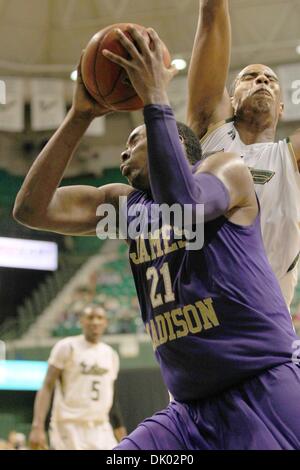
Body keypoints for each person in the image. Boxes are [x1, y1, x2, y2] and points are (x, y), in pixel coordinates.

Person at [14, 26, 300, 449]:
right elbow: (31, 210)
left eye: (135, 139)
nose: (123, 153)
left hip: (260, 390)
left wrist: (155, 97)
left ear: (178, 142)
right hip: (186, 411)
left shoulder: (227, 170)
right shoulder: (125, 209)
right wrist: (80, 116)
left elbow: (185, 205)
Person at [187, 0, 300, 307]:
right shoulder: (211, 131)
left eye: (270, 79)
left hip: (265, 325)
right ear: (231, 100)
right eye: (249, 77)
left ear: (281, 108)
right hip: (203, 317)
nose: (262, 79)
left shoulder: (291, 158)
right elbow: (211, 16)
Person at [28, 305, 126, 450]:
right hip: (69, 425)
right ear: (81, 321)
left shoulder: (110, 354)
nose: (95, 322)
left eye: (99, 318)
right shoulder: (67, 347)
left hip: (100, 426)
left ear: (106, 322)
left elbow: (112, 398)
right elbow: (47, 386)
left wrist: (121, 432)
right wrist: (37, 426)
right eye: (90, 317)